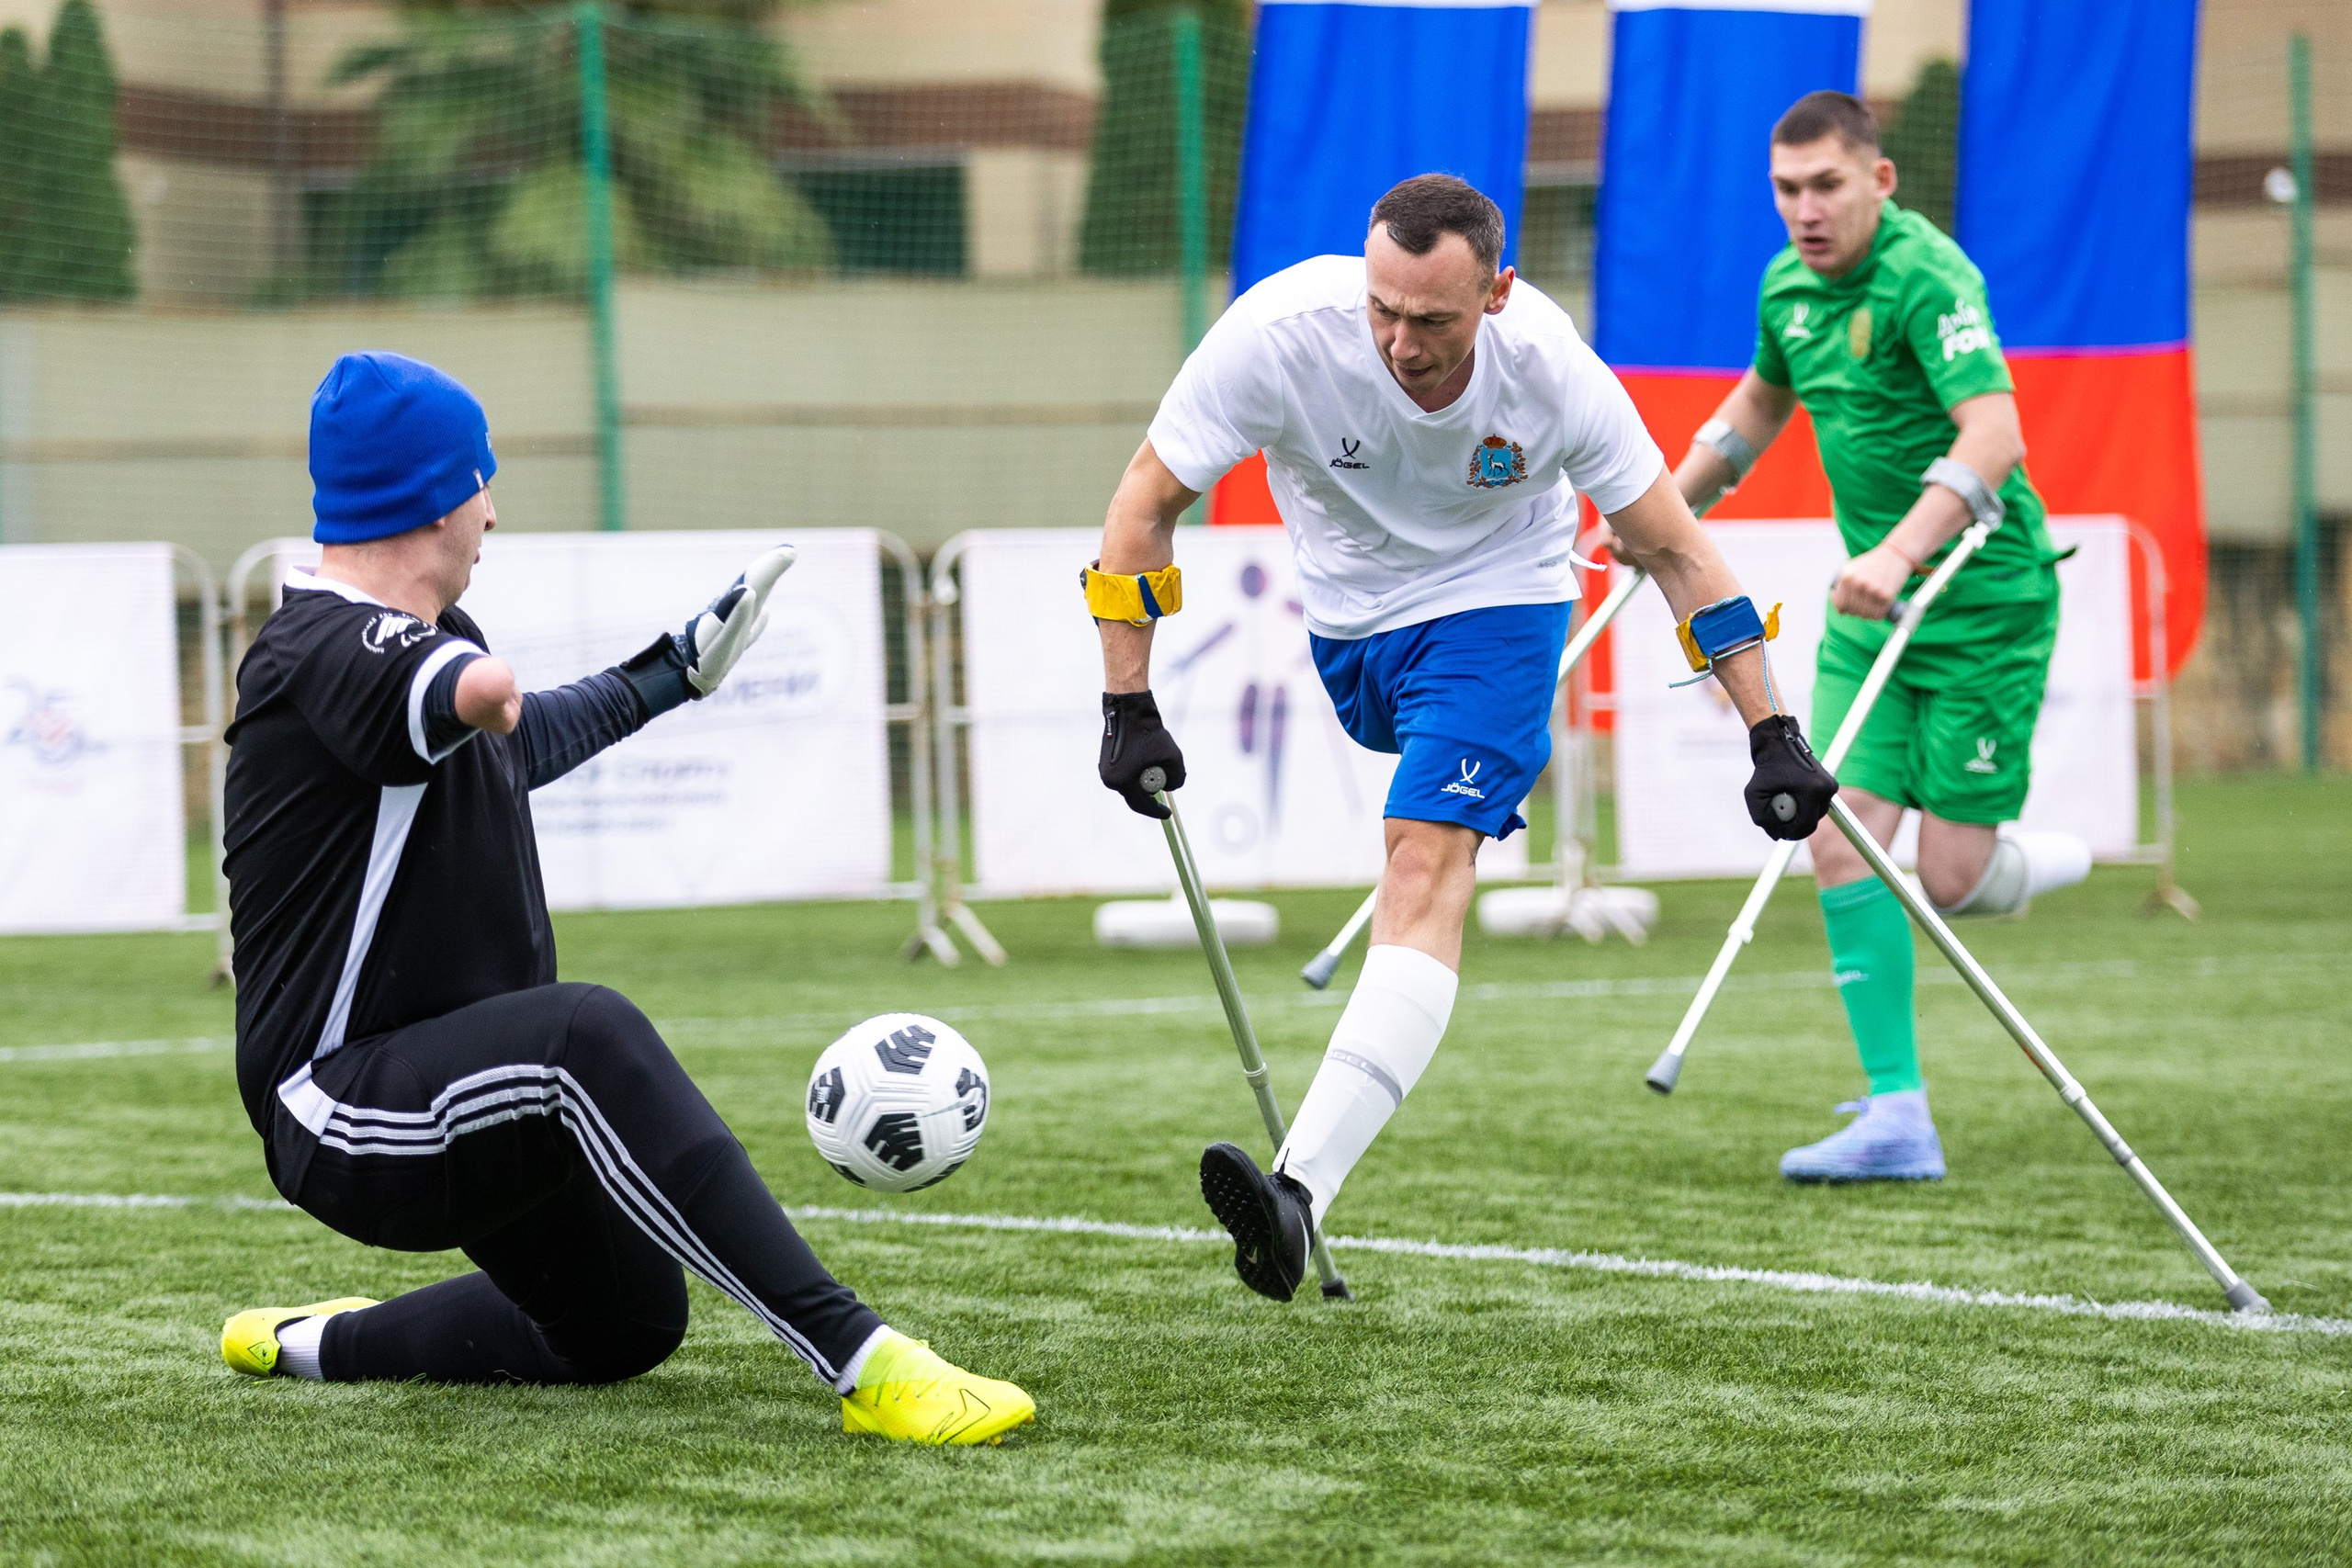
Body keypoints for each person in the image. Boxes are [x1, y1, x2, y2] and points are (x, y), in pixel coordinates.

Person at [216, 350, 1033, 1444]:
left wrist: (671, 676)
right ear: (428, 500)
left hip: (453, 1084)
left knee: (623, 1327)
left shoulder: (432, 642)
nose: (491, 513)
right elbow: (453, 696)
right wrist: (480, 689)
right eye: (478, 483)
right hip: (338, 1112)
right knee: (584, 1034)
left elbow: (506, 737)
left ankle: (315, 1343)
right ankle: (866, 1362)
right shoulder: (319, 643)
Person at [1087, 175, 1838, 1302]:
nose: (1398, 342)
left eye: (1430, 320)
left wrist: (1770, 730)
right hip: (1348, 631)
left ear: (1497, 292)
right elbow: (1146, 499)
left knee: (1422, 852)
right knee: (1411, 835)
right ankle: (1300, 1190)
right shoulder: (1279, 335)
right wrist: (1127, 705)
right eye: (1382, 309)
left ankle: (1297, 1194)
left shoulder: (1553, 372)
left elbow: (1678, 552)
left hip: (1499, 608)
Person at [1666, 91, 2091, 1181]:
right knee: (1835, 826)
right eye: (1785, 190)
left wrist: (1898, 552)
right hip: (1873, 614)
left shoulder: (1927, 276)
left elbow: (1992, 431)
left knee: (1947, 877)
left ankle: (2034, 861)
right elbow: (1761, 403)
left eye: (1825, 187)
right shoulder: (1784, 286)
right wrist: (1664, 508)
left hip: (1979, 600)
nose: (1803, 211)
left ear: (1878, 181)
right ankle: (1899, 1115)